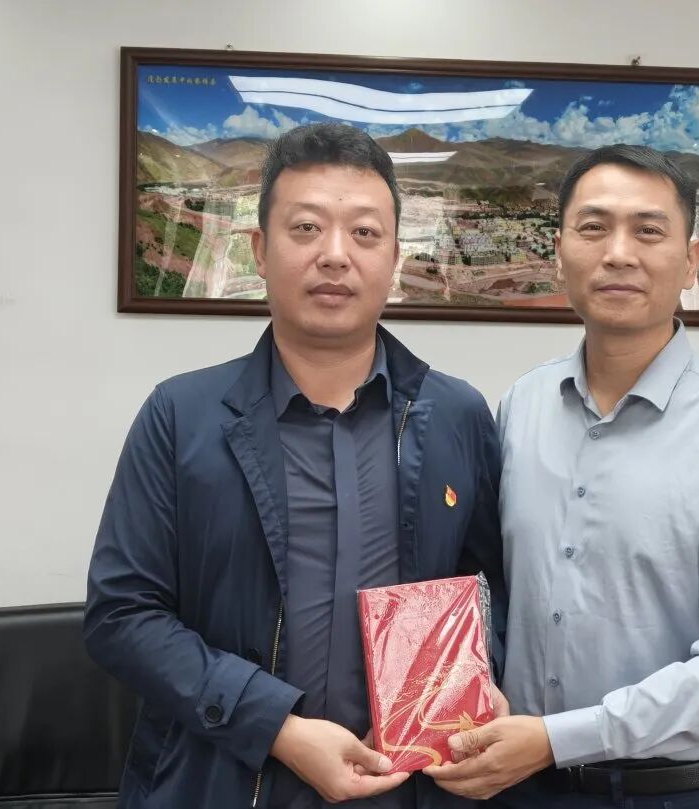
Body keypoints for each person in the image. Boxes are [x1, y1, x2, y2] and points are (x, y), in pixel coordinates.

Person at [85, 122, 506, 809]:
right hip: (224, 782)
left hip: (411, 788)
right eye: (306, 228)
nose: (335, 255)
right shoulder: (181, 415)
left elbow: (493, 589)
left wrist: (486, 674)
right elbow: (121, 615)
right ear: (259, 249)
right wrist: (277, 727)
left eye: (364, 233)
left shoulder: (457, 413)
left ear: (395, 256)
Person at [425, 145, 699, 809]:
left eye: (648, 230)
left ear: (691, 261)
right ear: (559, 252)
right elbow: (494, 587)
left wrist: (561, 738)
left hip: (667, 792)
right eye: (594, 227)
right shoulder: (521, 406)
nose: (619, 253)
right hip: (514, 784)